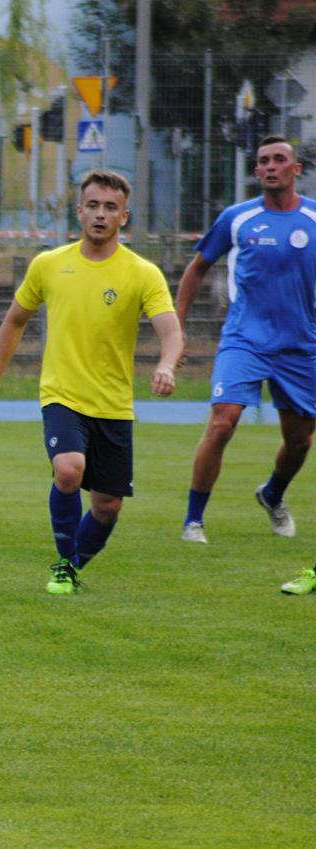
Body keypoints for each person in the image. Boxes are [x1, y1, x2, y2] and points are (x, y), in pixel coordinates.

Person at [0, 169, 183, 595]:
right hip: (61, 395)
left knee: (107, 505)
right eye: (93, 205)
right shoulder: (49, 264)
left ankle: (72, 565)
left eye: (111, 208)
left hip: (113, 403)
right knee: (68, 470)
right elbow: (15, 321)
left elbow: (171, 331)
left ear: (125, 217)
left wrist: (168, 364)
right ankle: (63, 563)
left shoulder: (142, 273)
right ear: (79, 210)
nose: (100, 214)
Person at [175, 135, 316, 544]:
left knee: (299, 439)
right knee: (222, 423)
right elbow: (196, 268)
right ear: (256, 173)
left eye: (279, 160)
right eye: (263, 161)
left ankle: (273, 495)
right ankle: (193, 521)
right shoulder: (236, 218)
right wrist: (176, 329)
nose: (271, 166)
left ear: (296, 169)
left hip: (300, 346)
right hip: (244, 340)